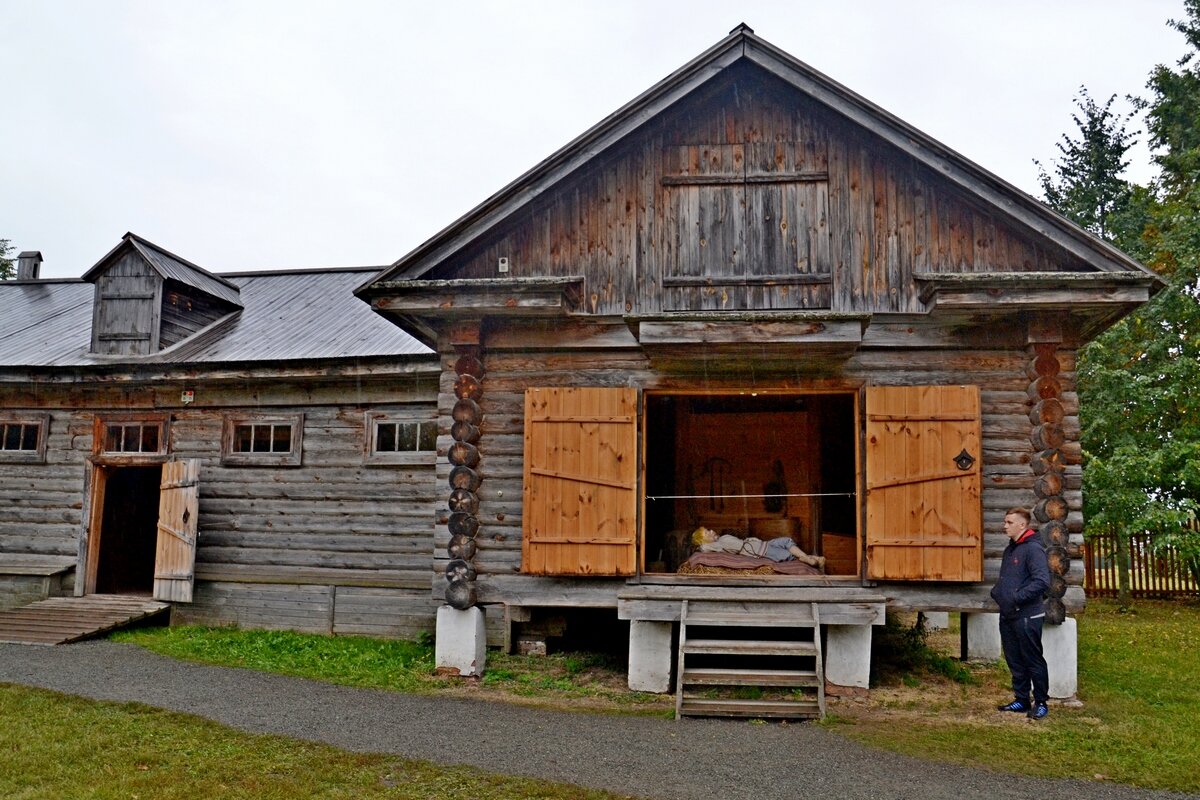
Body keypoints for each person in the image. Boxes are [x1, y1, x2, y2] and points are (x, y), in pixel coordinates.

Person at [990, 507, 1051, 719]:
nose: (1004, 525)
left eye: (1009, 522)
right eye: (1005, 521)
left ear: (1022, 525)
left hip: (1028, 615)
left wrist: (1016, 598)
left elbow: (1042, 581)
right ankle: (1021, 699)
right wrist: (998, 593)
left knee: (1032, 660)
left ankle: (1041, 702)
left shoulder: (1033, 549)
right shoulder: (1011, 549)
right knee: (1014, 659)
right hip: (1008, 615)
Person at [691, 527, 825, 569]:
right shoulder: (717, 544)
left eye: (708, 529)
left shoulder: (720, 540)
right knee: (787, 555)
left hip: (761, 544)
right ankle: (810, 559)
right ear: (704, 540)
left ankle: (807, 557)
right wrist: (702, 542)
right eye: (707, 533)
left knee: (786, 540)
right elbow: (704, 548)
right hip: (759, 550)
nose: (711, 531)